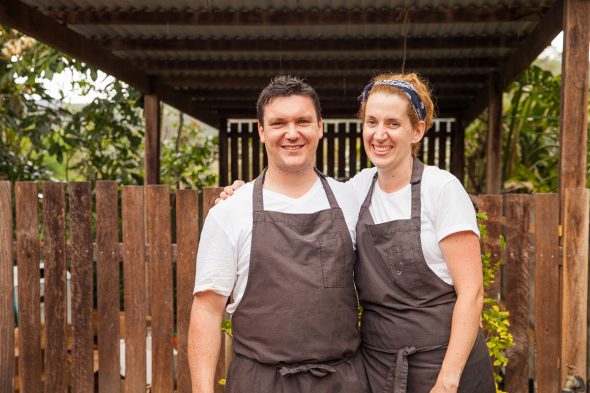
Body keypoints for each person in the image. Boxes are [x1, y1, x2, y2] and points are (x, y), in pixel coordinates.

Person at [218, 73, 495, 393]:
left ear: (417, 130)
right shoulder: (357, 190)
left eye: (393, 124)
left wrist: (447, 381)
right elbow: (298, 195)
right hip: (378, 369)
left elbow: (471, 293)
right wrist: (239, 193)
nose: (380, 135)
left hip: (444, 365)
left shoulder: (441, 189)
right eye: (372, 122)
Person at [188, 75, 368, 393]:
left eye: (303, 121)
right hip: (260, 382)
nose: (292, 133)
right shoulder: (229, 212)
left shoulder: (352, 201)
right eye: (279, 123)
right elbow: (206, 309)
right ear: (261, 131)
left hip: (341, 382)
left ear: (320, 127)